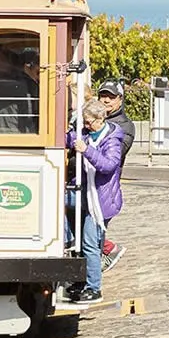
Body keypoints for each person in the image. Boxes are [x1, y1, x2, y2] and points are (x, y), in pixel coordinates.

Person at [63, 99, 125, 306]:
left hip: (101, 200)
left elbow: (108, 165)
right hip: (83, 193)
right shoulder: (85, 133)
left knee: (90, 243)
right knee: (75, 238)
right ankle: (79, 281)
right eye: (85, 122)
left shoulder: (112, 139)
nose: (86, 126)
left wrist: (86, 150)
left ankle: (93, 287)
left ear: (100, 119)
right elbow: (70, 138)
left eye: (89, 123)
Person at [96, 80, 136, 264]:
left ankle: (107, 253)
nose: (105, 101)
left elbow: (112, 158)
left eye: (110, 97)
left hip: (105, 188)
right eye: (103, 96)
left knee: (94, 233)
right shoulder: (93, 118)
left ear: (120, 99)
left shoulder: (125, 126)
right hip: (90, 185)